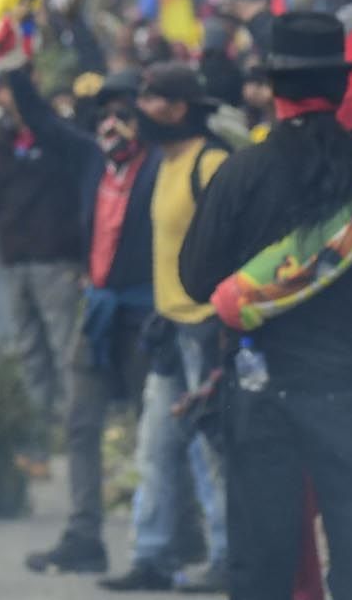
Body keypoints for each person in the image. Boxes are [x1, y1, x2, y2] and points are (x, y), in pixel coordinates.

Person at [179, 13, 352, 600]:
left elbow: (195, 280)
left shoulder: (243, 173)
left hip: (265, 395)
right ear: (340, 89)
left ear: (273, 89)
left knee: (261, 568)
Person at [22, 69, 163, 578]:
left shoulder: (162, 166)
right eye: (104, 115)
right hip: (98, 312)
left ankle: (167, 542)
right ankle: (84, 536)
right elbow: (42, 122)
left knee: (159, 430)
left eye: (124, 114)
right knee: (81, 424)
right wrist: (18, 68)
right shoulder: (91, 162)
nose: (113, 125)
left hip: (147, 317)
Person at [101, 62, 230, 593]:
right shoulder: (162, 163)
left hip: (204, 327)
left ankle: (227, 555)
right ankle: (151, 555)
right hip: (169, 326)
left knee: (207, 451)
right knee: (155, 446)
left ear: (180, 108)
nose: (142, 109)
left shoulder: (212, 163)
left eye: (153, 99)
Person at [0, 69, 89, 474]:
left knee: (65, 353)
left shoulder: (58, 137)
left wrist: (86, 258)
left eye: (4, 90)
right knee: (31, 355)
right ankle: (37, 446)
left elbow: (84, 193)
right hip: (16, 259)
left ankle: (80, 442)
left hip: (56, 260)